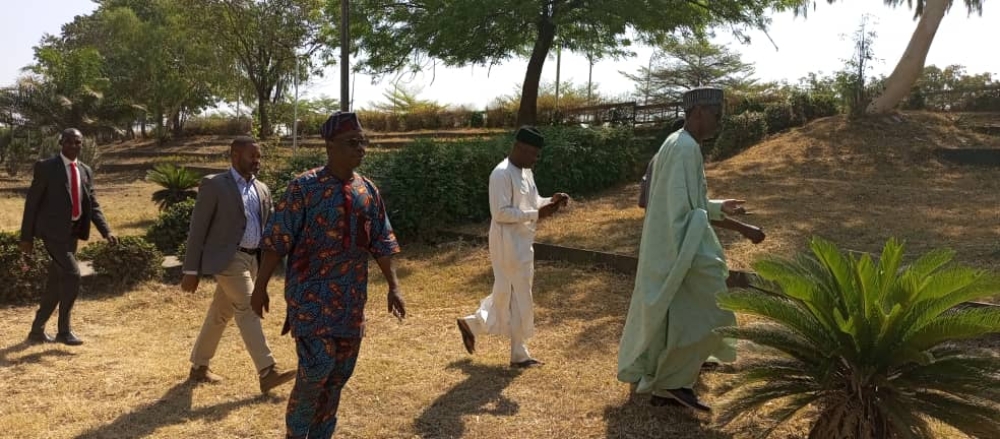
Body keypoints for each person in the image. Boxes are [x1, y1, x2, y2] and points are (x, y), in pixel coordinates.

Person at [251, 112, 406, 439]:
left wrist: (394, 286)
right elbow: (278, 239)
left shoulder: (368, 191)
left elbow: (382, 240)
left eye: (363, 142)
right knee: (316, 368)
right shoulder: (304, 188)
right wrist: (260, 286)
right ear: (330, 146)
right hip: (310, 298)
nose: (360, 148)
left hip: (351, 301)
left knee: (339, 374)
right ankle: (296, 433)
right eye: (352, 142)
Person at [617, 87, 766, 411]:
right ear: (698, 111)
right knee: (714, 309)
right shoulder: (685, 148)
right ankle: (672, 381)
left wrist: (717, 206)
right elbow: (685, 212)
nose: (718, 123)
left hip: (672, 245)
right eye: (716, 115)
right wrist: (735, 226)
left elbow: (688, 203)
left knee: (677, 315)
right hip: (681, 246)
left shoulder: (677, 144)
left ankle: (668, 384)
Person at [180, 136, 295, 393]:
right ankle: (267, 371)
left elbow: (269, 225)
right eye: (252, 156)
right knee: (247, 307)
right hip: (227, 259)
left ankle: (199, 366)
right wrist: (191, 270)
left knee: (221, 313)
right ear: (235, 155)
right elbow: (197, 229)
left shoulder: (262, 189)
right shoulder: (214, 185)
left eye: (259, 157)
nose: (257, 161)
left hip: (252, 259)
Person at [455, 126, 569, 368]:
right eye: (532, 153)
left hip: (523, 240)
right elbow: (500, 213)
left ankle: (474, 325)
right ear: (519, 147)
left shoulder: (526, 172)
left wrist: (551, 201)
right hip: (506, 242)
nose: (535, 159)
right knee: (514, 293)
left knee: (512, 293)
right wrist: (536, 214)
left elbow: (533, 202)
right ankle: (517, 353)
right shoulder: (501, 174)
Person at [20, 128, 117, 346]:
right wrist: (26, 238)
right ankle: (64, 331)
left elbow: (92, 204)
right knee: (73, 275)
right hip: (52, 234)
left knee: (56, 283)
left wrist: (106, 231)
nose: (73, 146)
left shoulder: (85, 170)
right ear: (61, 143)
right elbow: (32, 204)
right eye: (69, 142)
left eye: (77, 142)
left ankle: (36, 331)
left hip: (73, 233)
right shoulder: (46, 168)